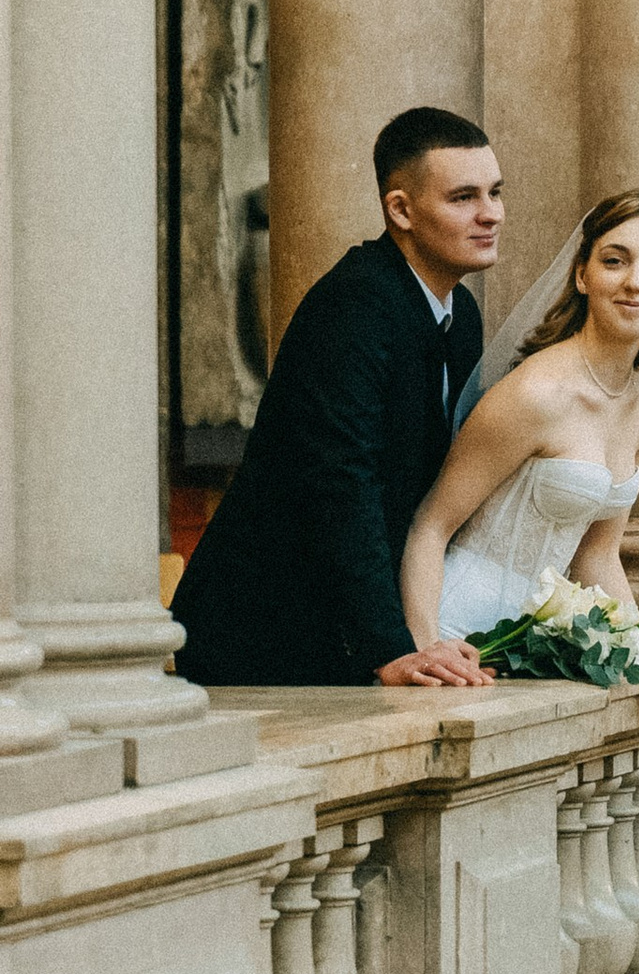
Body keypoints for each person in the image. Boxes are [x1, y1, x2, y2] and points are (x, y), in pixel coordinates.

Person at [172, 108, 505, 689]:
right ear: (400, 209)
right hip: (264, 631)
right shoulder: (354, 304)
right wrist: (388, 647)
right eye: (463, 198)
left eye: (495, 192)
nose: (491, 214)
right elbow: (340, 481)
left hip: (349, 631)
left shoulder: (463, 315)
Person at [399, 190, 639, 735]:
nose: (636, 282)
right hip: (454, 626)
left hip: (525, 648)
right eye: (615, 260)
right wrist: (425, 650)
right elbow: (431, 525)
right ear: (583, 275)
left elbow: (597, 554)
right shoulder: (536, 393)